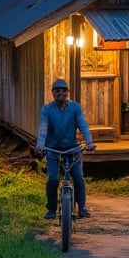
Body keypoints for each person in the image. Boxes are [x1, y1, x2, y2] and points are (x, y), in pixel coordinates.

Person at [36, 78, 96, 220]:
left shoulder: (75, 108)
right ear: (53, 93)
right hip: (53, 150)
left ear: (67, 93)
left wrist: (89, 142)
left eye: (63, 90)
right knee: (53, 179)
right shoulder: (47, 109)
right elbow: (43, 128)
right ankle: (51, 209)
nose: (60, 93)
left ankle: (82, 207)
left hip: (72, 150)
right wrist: (40, 145)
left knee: (78, 177)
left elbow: (82, 125)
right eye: (57, 90)